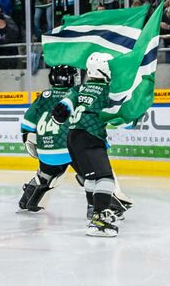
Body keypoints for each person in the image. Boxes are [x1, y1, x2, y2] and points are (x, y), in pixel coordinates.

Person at [52, 52, 130, 237]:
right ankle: (99, 219)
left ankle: (93, 210)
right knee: (105, 178)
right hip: (91, 136)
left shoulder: (79, 89)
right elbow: (121, 114)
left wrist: (61, 113)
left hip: (73, 137)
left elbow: (61, 109)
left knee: (92, 178)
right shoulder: (108, 91)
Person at [19, 65, 79, 211]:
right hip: (68, 148)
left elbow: (27, 123)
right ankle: (100, 206)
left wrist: (28, 139)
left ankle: (26, 200)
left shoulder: (44, 95)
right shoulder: (74, 95)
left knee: (44, 175)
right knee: (90, 176)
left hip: (45, 149)